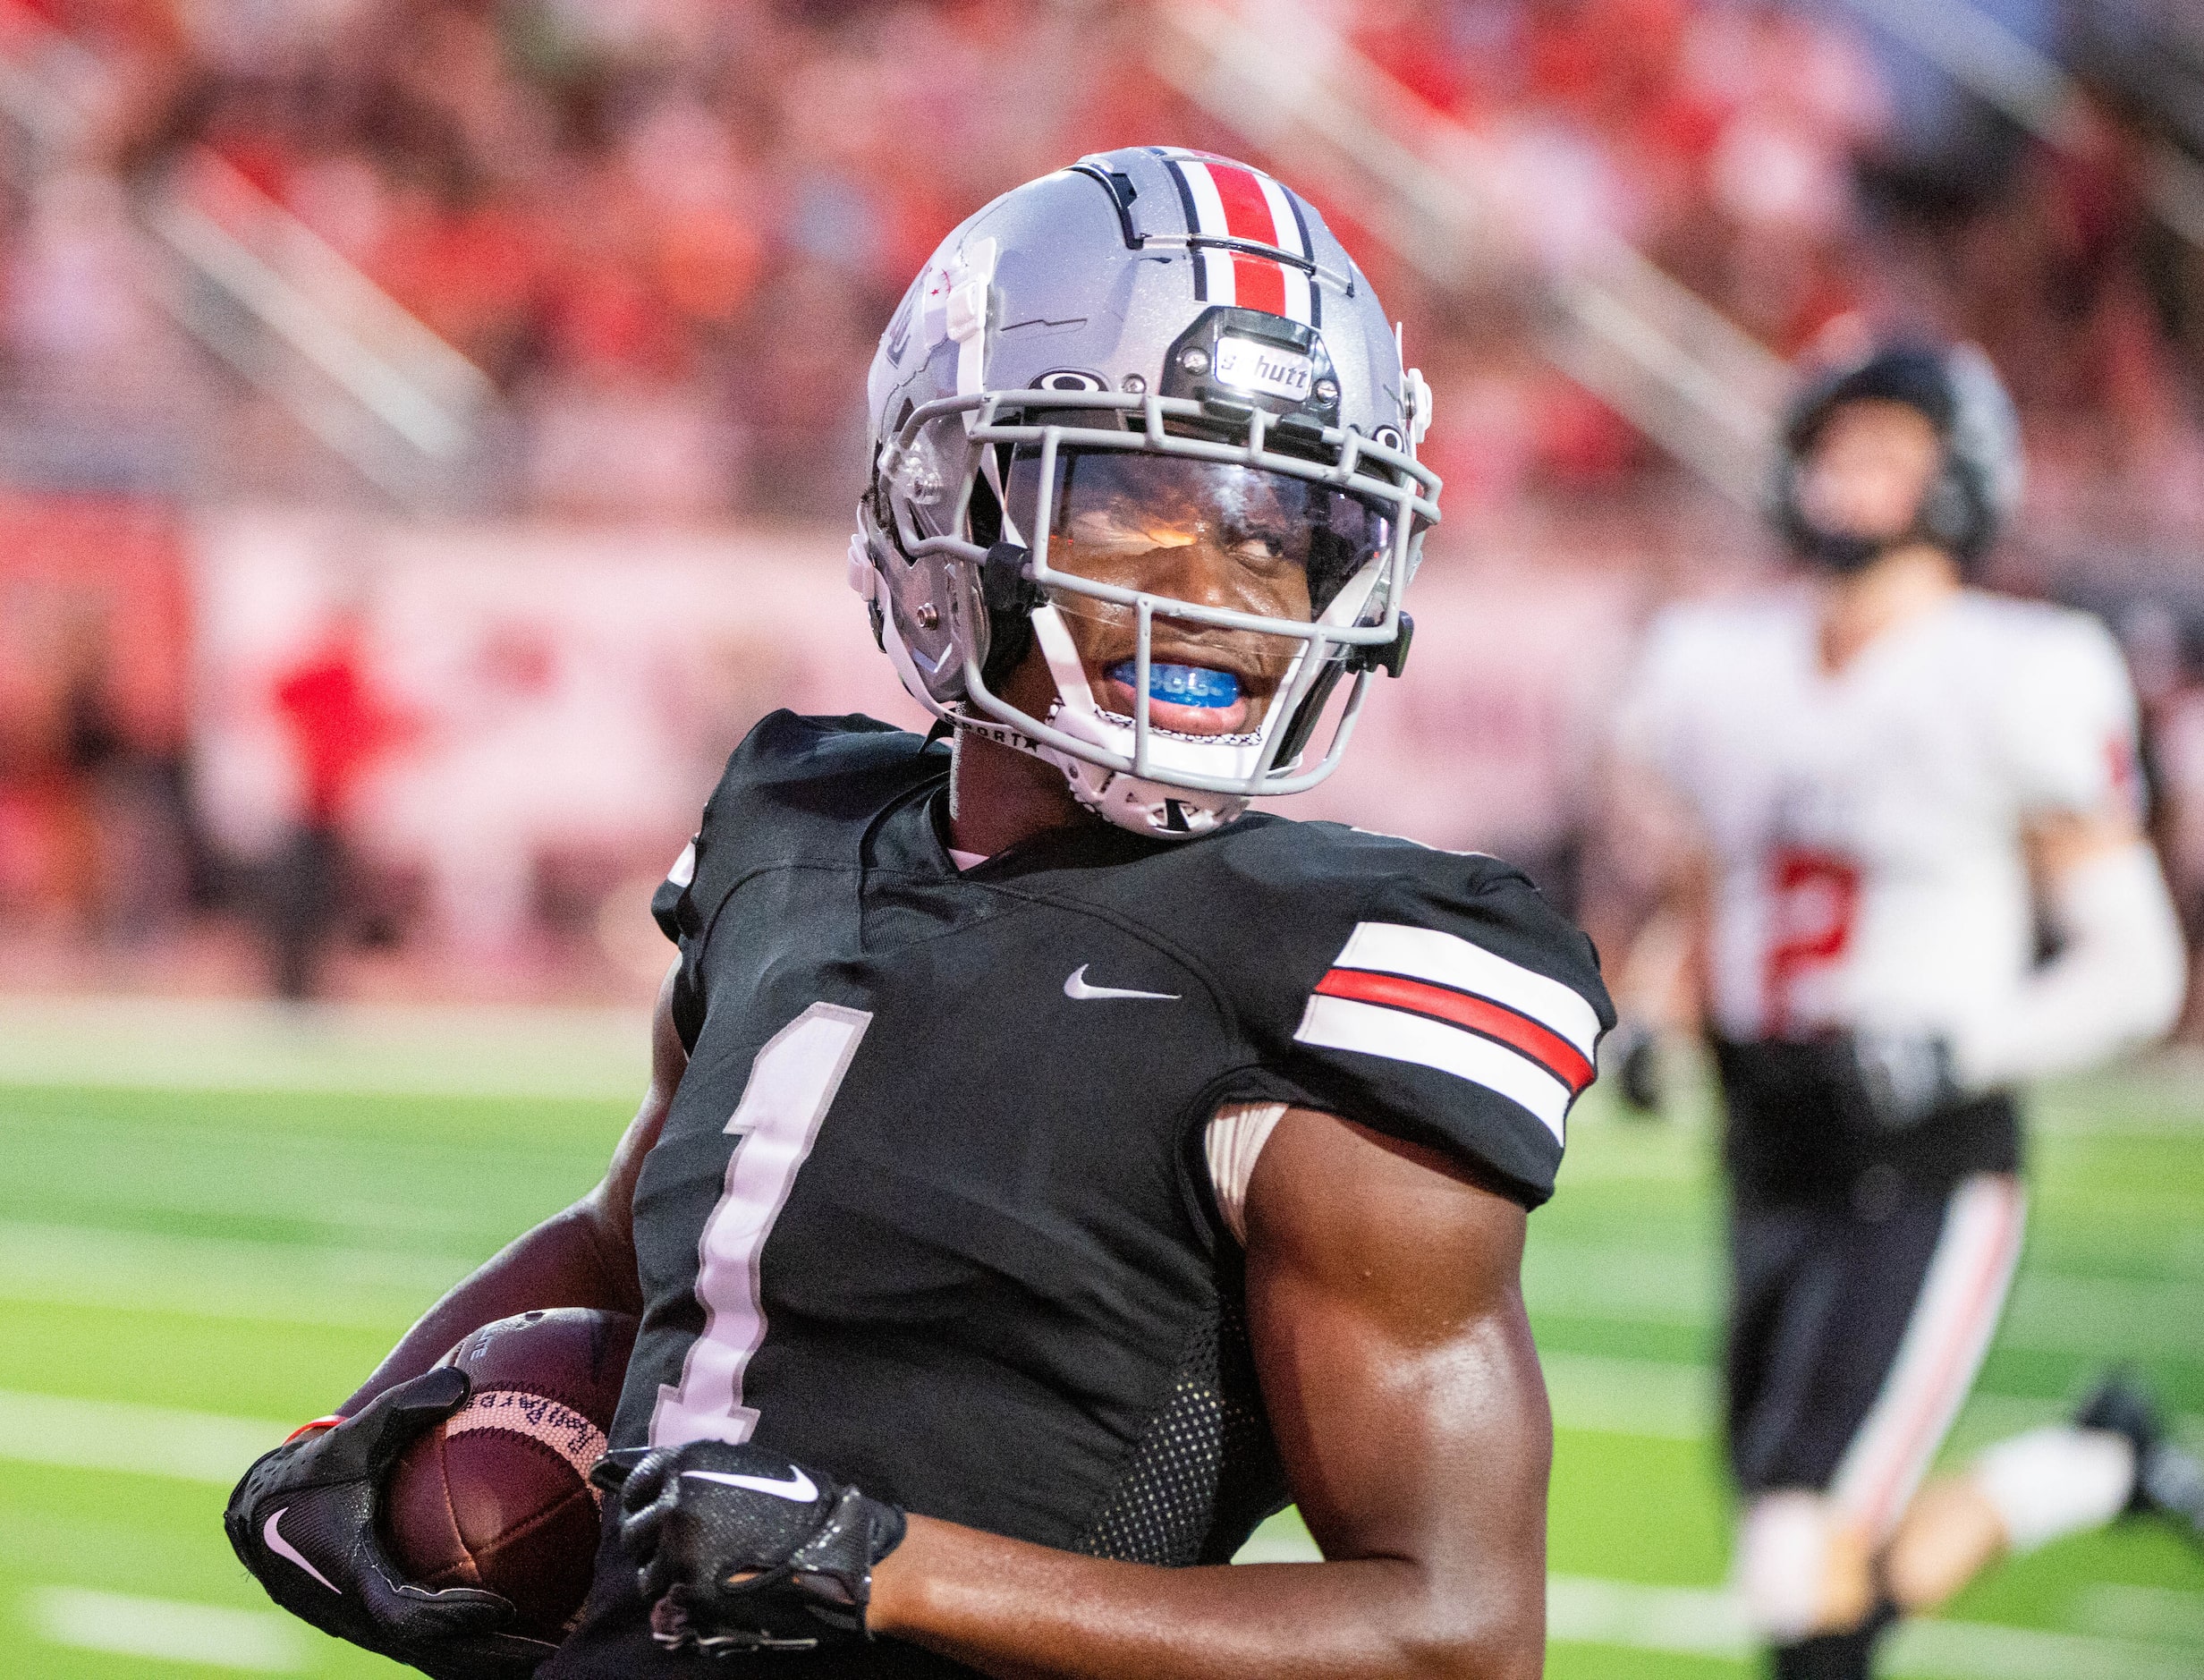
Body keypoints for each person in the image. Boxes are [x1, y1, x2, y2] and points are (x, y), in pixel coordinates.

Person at [224, 147, 1612, 1680]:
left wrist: (888, 1566)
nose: (1218, 582)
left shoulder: (1338, 969)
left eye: (1277, 530)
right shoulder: (792, 831)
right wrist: (352, 1439)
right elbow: (625, 1243)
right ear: (944, 493)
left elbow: (1455, 1633)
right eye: (1138, 500)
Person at [1601, 339, 2204, 1679]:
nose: (1849, 478)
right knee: (1797, 1545)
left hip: (1922, 1153)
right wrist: (1660, 1013)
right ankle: (2091, 1462)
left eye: (1887, 451)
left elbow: (2136, 968)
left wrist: (1956, 1048)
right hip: (1763, 1144)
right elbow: (1706, 892)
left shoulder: (2018, 667)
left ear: (1962, 478)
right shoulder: (1718, 661)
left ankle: (2091, 1463)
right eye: (1837, 447)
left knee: (1795, 1562)